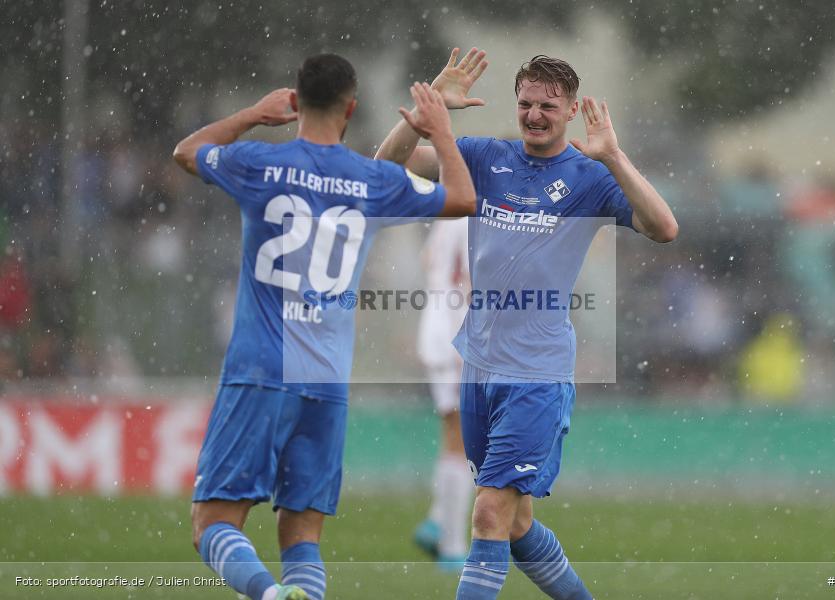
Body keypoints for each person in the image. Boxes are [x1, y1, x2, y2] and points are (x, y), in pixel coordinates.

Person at [377, 48, 678, 599]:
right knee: (515, 527)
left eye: (547, 106)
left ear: (569, 112)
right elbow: (386, 166)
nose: (535, 114)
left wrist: (614, 157)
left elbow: (664, 227)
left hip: (536, 375)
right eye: (526, 104)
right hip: (479, 366)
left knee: (489, 513)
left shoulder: (588, 177)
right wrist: (427, 115)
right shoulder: (483, 156)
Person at [173, 54, 475, 600]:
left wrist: (250, 115)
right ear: (352, 108)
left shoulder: (259, 164)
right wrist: (439, 128)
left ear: (294, 101)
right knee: (302, 534)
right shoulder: (372, 179)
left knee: (213, 523)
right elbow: (462, 199)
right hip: (327, 381)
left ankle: (268, 596)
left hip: (261, 369)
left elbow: (186, 151)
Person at [414, 216, 472, 569]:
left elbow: (429, 260)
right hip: (458, 331)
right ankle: (451, 546)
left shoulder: (451, 211)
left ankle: (438, 519)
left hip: (438, 328)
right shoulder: (474, 215)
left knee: (456, 434)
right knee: (464, 439)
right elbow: (469, 281)